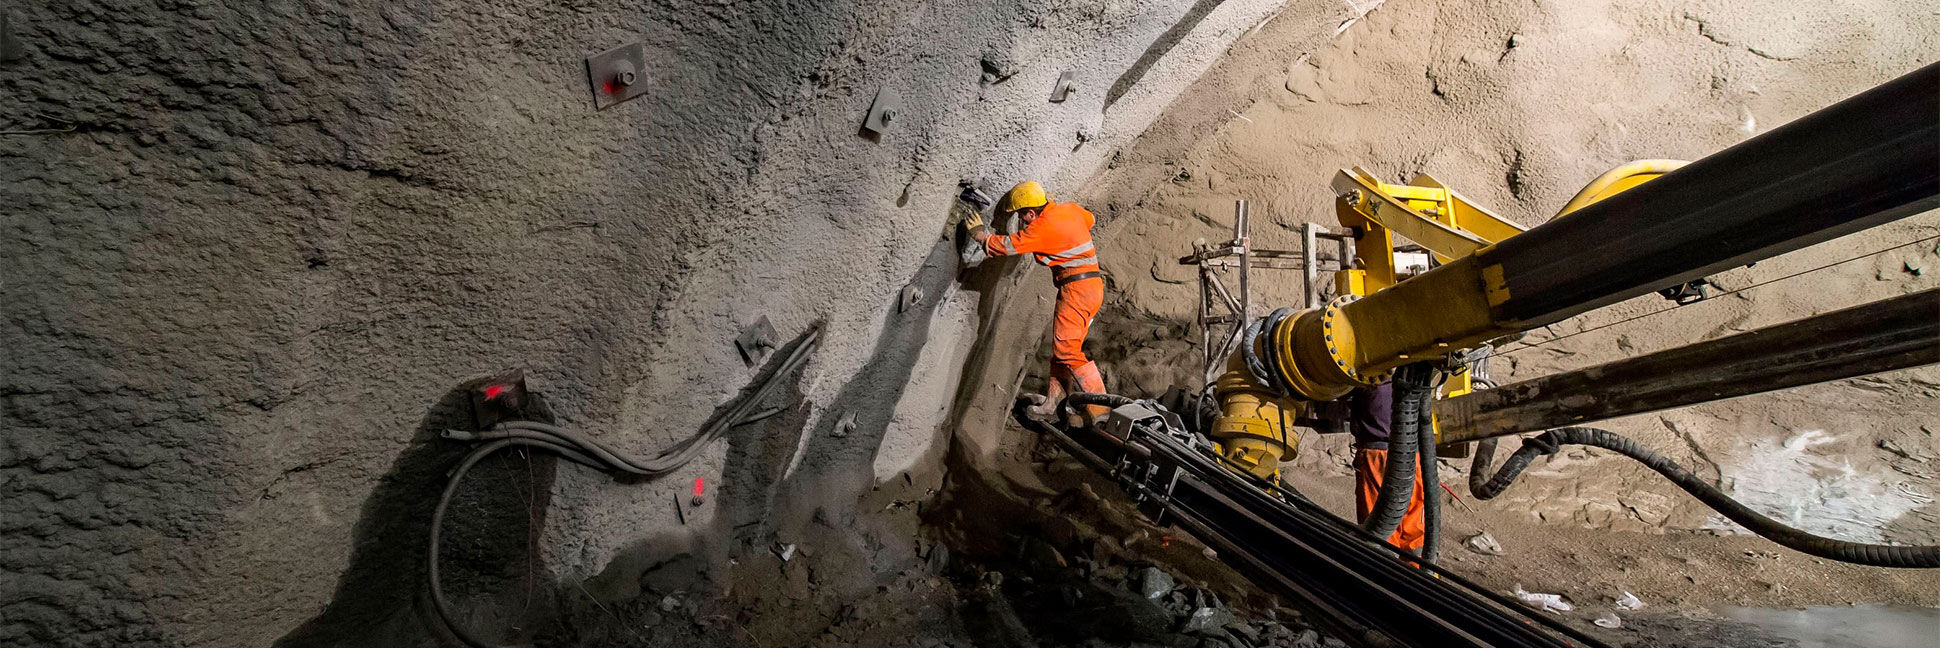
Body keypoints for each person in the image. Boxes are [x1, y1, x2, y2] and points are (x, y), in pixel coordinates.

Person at [968, 180, 1106, 418]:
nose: (1021, 220)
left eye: (1022, 215)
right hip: (1092, 287)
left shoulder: (1041, 227)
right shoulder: (1069, 209)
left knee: (1067, 352)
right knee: (1063, 349)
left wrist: (980, 235)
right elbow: (1089, 219)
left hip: (1076, 290)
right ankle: (1056, 402)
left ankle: (1101, 409)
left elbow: (1008, 246)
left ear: (1031, 212)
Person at [1349, 381, 1426, 551]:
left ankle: (1382, 570)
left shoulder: (1370, 374)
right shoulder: (1413, 374)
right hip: (1413, 454)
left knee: (1379, 527)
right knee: (1413, 527)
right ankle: (1419, 573)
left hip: (1378, 456)